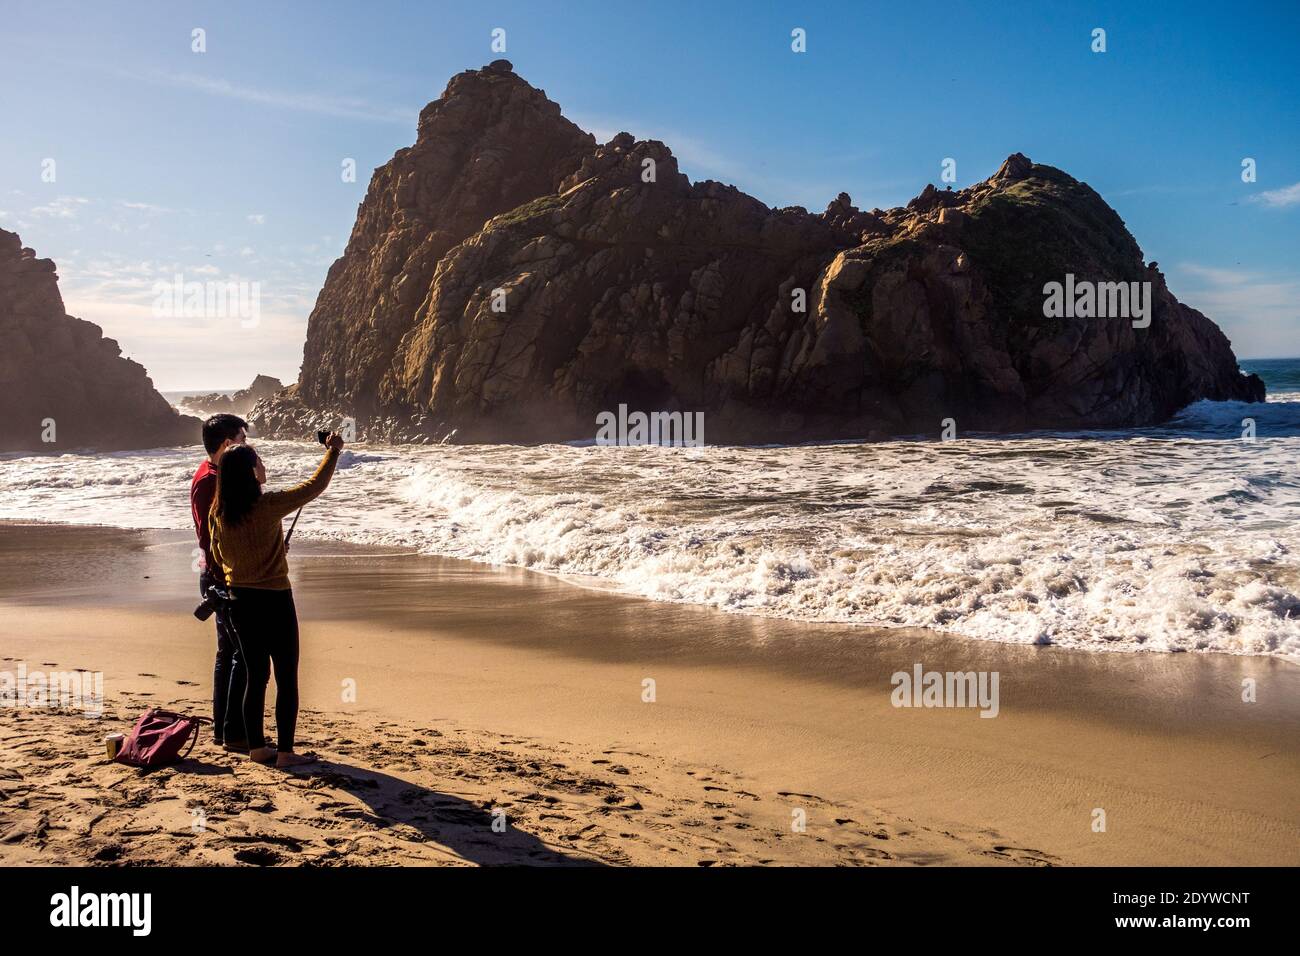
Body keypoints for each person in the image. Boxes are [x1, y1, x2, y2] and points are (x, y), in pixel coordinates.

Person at [209, 433, 343, 768]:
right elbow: (315, 486)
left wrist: (262, 556)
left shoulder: (219, 514)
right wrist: (333, 451)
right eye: (259, 461)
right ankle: (284, 752)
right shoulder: (267, 505)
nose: (263, 465)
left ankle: (257, 747)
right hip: (274, 601)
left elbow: (219, 556)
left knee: (256, 676)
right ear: (251, 471)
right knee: (286, 675)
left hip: (239, 601)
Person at [190, 414, 250, 751]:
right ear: (227, 442)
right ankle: (233, 732)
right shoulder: (212, 481)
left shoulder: (209, 473)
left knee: (227, 652)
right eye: (242, 436)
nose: (246, 443)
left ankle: (223, 730)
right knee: (241, 654)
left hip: (215, 572)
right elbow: (214, 534)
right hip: (220, 575)